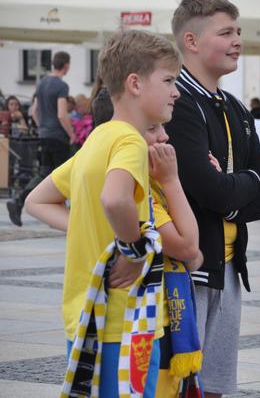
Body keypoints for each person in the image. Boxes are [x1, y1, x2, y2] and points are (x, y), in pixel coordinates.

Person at [24, 29, 181, 397]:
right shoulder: (129, 140)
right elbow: (115, 199)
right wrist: (133, 249)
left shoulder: (99, 137)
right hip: (126, 324)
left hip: (86, 318)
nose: (176, 91)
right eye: (169, 80)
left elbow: (37, 200)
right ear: (135, 84)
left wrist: (84, 229)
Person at [166, 0, 260, 398]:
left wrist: (233, 187)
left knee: (214, 385)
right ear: (192, 41)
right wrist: (241, 185)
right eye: (226, 32)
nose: (238, 41)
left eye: (239, 31)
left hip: (228, 266)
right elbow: (207, 189)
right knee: (179, 384)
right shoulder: (176, 102)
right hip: (186, 269)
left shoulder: (234, 106)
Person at [6, 51, 74, 227]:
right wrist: (72, 134)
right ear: (66, 66)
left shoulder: (42, 83)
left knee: (46, 172)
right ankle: (68, 215)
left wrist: (42, 127)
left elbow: (34, 111)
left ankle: (19, 201)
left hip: (44, 134)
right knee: (67, 175)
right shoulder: (61, 86)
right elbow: (61, 114)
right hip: (58, 136)